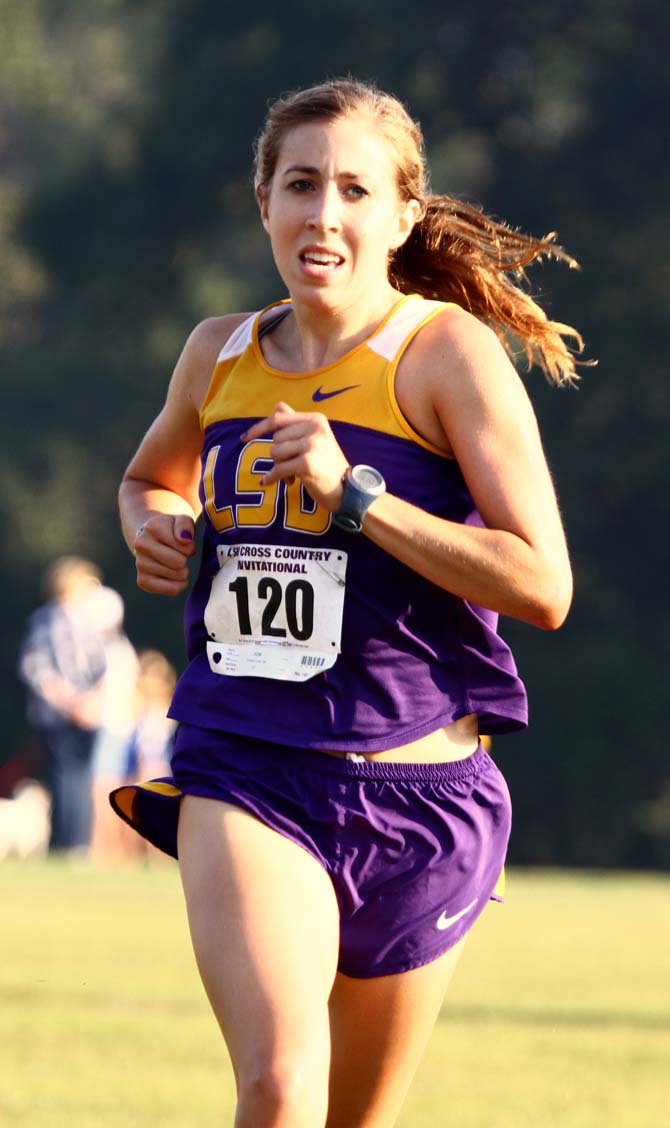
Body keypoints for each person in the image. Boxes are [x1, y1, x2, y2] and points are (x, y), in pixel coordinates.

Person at [110, 78, 586, 1127]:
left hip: (425, 799)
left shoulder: (444, 357)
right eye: (301, 185)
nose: (324, 214)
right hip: (249, 770)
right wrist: (151, 519)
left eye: (354, 190)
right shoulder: (218, 354)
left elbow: (542, 583)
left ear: (401, 215)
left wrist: (354, 497)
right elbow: (151, 476)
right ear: (264, 203)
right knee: (280, 1090)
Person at [18, 556, 108, 855]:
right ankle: (65, 845)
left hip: (88, 713)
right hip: (58, 715)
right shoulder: (47, 620)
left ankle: (79, 844)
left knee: (82, 780)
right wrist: (72, 702)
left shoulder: (91, 622)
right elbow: (36, 669)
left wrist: (92, 701)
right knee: (65, 779)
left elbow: (103, 668)